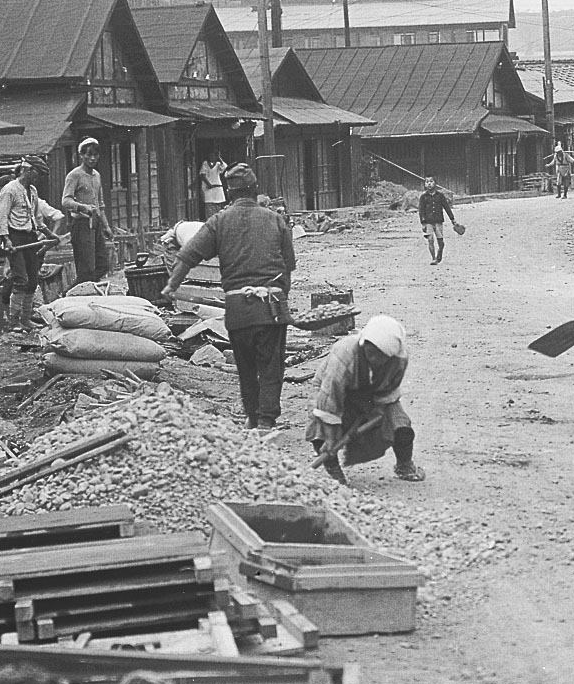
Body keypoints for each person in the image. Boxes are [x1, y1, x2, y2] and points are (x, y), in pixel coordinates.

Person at [162, 163, 294, 429]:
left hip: (237, 310)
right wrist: (283, 298)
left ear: (230, 194)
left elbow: (187, 255)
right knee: (271, 364)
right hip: (271, 307)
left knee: (245, 367)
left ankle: (252, 417)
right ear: (255, 190)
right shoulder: (275, 220)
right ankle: (266, 419)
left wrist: (170, 286)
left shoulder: (219, 222)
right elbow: (288, 264)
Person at [307, 315, 424, 483]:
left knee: (401, 427)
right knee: (322, 434)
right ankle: (335, 475)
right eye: (370, 352)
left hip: (374, 394)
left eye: (380, 355)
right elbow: (330, 397)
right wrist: (332, 436)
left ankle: (404, 465)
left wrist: (374, 413)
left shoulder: (398, 360)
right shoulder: (345, 353)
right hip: (331, 390)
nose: (374, 358)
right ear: (363, 345)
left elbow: (388, 391)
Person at [0, 156, 64, 323]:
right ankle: (13, 321)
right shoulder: (10, 190)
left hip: (29, 236)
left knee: (32, 279)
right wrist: (6, 240)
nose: (37, 179)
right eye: (37, 174)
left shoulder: (32, 191)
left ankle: (25, 319)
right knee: (21, 280)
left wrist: (49, 235)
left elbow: (34, 219)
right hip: (14, 237)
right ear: (28, 170)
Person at [62, 138, 108, 284]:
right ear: (81, 155)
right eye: (88, 154)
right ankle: (72, 294)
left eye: (95, 154)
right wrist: (83, 207)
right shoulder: (74, 175)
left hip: (95, 224)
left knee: (103, 264)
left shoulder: (97, 175)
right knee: (86, 268)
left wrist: (106, 226)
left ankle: (88, 289)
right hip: (81, 224)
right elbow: (66, 201)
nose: (92, 158)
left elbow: (100, 204)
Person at [417, 175, 464, 264]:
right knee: (430, 239)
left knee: (440, 241)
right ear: (425, 185)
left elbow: (447, 208)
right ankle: (434, 258)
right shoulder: (423, 197)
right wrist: (423, 222)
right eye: (427, 182)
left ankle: (440, 252)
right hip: (428, 222)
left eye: (431, 181)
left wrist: (452, 219)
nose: (429, 184)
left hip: (438, 221)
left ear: (435, 183)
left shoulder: (440, 196)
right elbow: (421, 210)